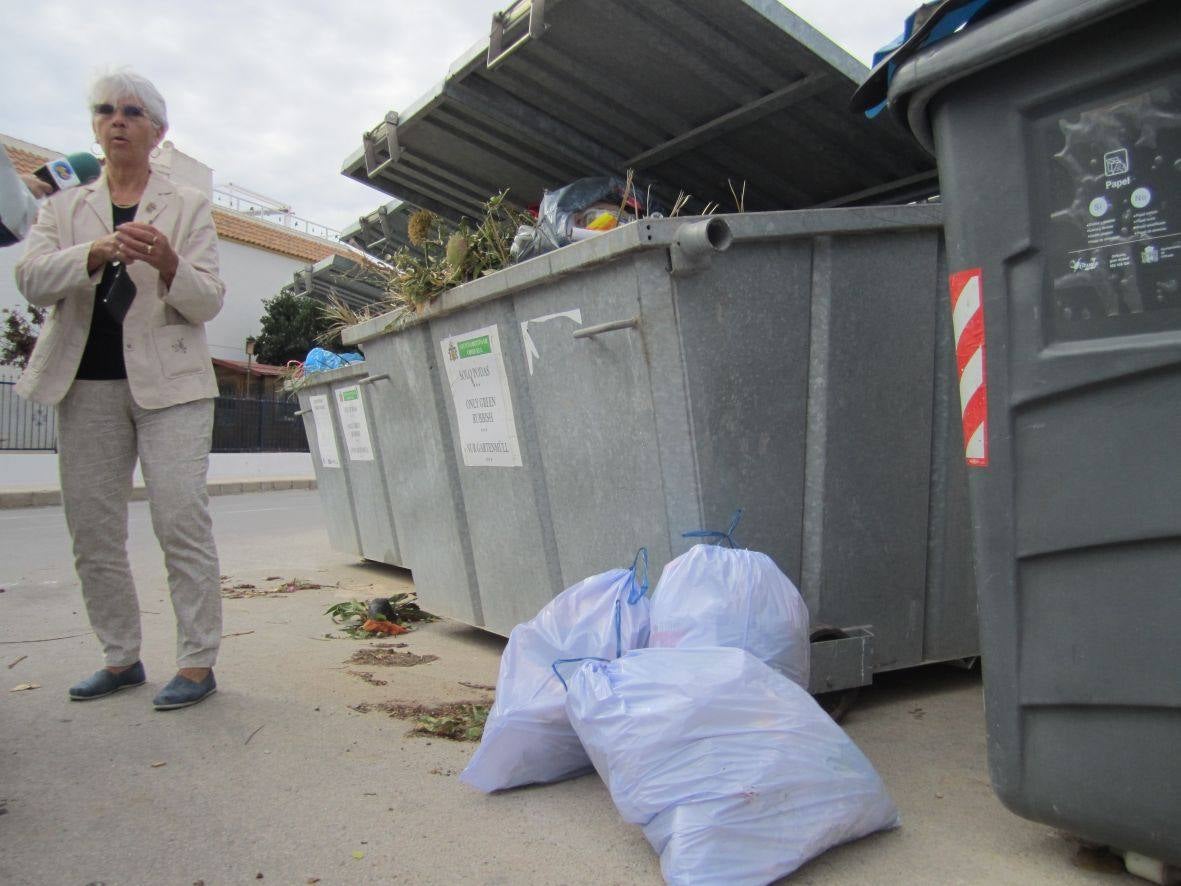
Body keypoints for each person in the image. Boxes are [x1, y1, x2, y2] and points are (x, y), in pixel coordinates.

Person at [14, 70, 226, 710]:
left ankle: (197, 663)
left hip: (173, 386)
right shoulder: (62, 205)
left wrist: (168, 261)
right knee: (93, 530)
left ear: (157, 131)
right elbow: (31, 280)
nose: (117, 121)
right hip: (86, 384)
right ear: (93, 126)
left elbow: (209, 301)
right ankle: (120, 657)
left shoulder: (186, 204)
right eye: (105, 110)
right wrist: (96, 251)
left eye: (132, 112)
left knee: (180, 517)